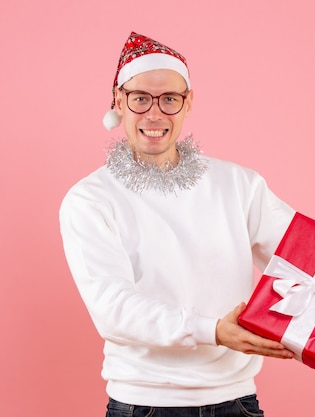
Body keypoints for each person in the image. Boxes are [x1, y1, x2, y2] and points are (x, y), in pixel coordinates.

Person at [59, 32, 297, 416]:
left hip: (236, 402)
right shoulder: (90, 200)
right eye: (140, 99)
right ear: (119, 101)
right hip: (145, 404)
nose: (154, 115)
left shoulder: (238, 185)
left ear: (188, 103)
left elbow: (303, 253)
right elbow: (112, 308)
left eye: (169, 99)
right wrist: (212, 330)